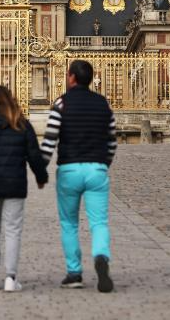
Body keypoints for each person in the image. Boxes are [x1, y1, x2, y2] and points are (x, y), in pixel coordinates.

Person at [40, 59, 117, 293]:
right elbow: (112, 141)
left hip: (69, 170)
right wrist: (103, 164)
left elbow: (50, 141)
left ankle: (74, 273)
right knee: (99, 222)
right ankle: (101, 256)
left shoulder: (61, 103)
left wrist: (40, 169)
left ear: (72, 77)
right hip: (96, 169)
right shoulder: (103, 104)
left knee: (69, 223)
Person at [0, 85, 48, 293]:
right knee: (13, 230)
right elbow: (34, 154)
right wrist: (41, 177)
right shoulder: (21, 123)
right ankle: (11, 278)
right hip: (15, 184)